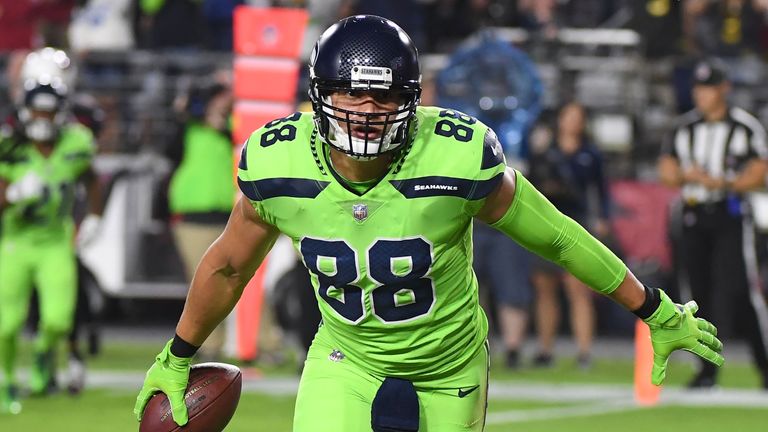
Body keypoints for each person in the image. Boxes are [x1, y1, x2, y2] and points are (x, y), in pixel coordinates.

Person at [134, 16, 723, 431]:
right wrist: (178, 353)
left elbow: (558, 236)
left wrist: (653, 307)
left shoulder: (454, 156)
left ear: (412, 99)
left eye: (384, 98)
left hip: (449, 362)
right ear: (318, 96)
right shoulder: (275, 163)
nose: (367, 113)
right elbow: (231, 264)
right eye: (349, 94)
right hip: (349, 355)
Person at [658, 58, 768, 389]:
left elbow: (759, 171)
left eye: (708, 87)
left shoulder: (745, 127)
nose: (701, 94)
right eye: (698, 87)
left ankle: (764, 365)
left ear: (724, 89)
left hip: (730, 215)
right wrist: (685, 176)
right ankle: (706, 370)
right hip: (693, 216)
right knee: (698, 294)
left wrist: (723, 183)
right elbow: (666, 172)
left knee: (740, 292)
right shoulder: (683, 128)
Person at [0, 78, 99, 413]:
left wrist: (93, 218)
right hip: (17, 242)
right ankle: (6, 379)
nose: (43, 118)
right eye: (37, 111)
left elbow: (92, 177)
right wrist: (12, 194)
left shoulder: (75, 142)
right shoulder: (9, 146)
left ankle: (44, 356)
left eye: (49, 111)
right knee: (6, 323)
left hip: (56, 241)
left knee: (58, 319)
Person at [527, 102, 612, 369]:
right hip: (546, 222)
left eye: (578, 117)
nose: (573, 122)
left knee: (578, 289)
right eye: (569, 116)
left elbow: (602, 190)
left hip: (577, 222)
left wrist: (602, 218)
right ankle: (545, 349)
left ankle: (585, 351)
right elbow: (529, 182)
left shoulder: (590, 153)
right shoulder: (544, 149)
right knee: (545, 288)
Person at [166, 79, 234, 361]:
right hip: (192, 218)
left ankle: (261, 343)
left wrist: (222, 124)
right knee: (203, 284)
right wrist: (182, 115)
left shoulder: (233, 129)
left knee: (244, 281)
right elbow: (167, 150)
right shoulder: (187, 130)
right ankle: (209, 345)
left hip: (231, 217)